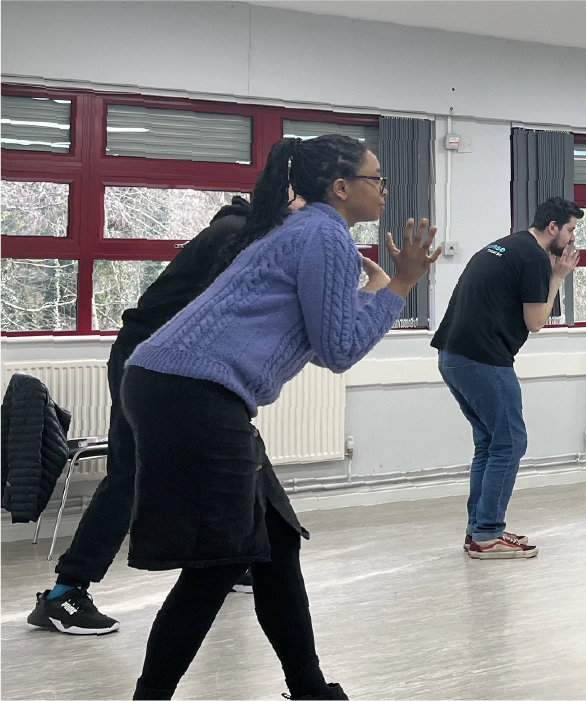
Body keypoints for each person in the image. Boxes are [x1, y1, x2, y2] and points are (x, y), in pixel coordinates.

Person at [119, 134, 439, 701]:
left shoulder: (307, 230)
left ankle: (310, 688)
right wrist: (404, 282)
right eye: (376, 179)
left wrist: (375, 289)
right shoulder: (324, 235)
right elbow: (340, 352)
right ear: (341, 189)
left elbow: (322, 340)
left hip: (176, 385)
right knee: (220, 561)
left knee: (274, 541)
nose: (384, 189)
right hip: (193, 392)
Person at [26, 195, 299, 636]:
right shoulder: (235, 236)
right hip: (153, 364)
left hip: (182, 365)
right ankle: (64, 593)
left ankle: (228, 560)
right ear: (290, 197)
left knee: (234, 463)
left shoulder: (246, 232)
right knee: (132, 474)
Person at [432, 196, 581, 559]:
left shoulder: (505, 245)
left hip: (453, 355)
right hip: (483, 359)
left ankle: (479, 530)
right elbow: (536, 322)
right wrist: (558, 277)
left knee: (489, 443)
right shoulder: (532, 256)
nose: (572, 240)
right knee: (510, 443)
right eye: (571, 230)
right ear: (552, 229)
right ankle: (487, 533)